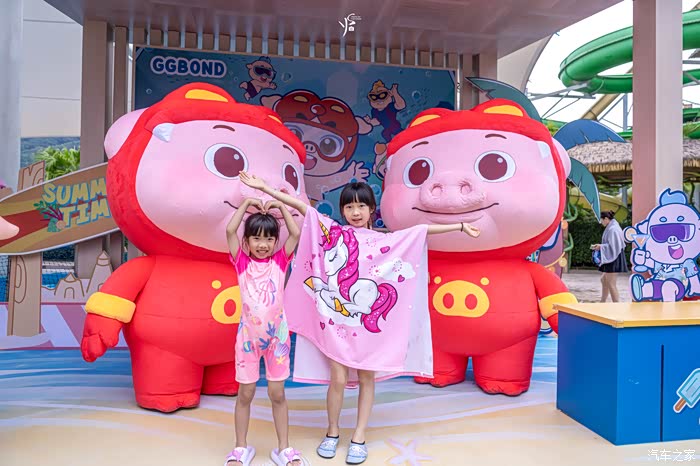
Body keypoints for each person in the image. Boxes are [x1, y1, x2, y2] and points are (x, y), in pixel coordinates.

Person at [238, 171, 479, 464]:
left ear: (371, 209)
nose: (355, 212)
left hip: (367, 327)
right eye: (349, 206)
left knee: (367, 378)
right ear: (342, 211)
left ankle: (359, 436)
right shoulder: (334, 233)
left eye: (361, 206)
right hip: (338, 325)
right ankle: (332, 431)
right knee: (337, 378)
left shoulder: (384, 240)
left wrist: (460, 225)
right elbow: (303, 208)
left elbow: (421, 230)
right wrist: (265, 188)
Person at [224, 198, 303, 466]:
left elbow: (295, 233)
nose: (263, 244)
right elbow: (230, 230)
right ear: (246, 241)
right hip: (248, 340)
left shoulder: (280, 261)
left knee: (277, 394)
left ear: (275, 242)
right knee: (245, 394)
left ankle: (284, 449)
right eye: (256, 238)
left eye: (269, 239)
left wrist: (280, 207)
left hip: (277, 340)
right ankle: (240, 448)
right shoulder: (241, 262)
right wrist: (247, 203)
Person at [592, 210, 628, 302]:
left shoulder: (613, 229)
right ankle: (603, 302)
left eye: (601, 220)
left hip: (614, 257)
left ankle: (616, 305)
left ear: (606, 219)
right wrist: (601, 246)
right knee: (604, 279)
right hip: (612, 256)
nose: (601, 222)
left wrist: (601, 247)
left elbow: (615, 246)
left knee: (611, 283)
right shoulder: (611, 227)